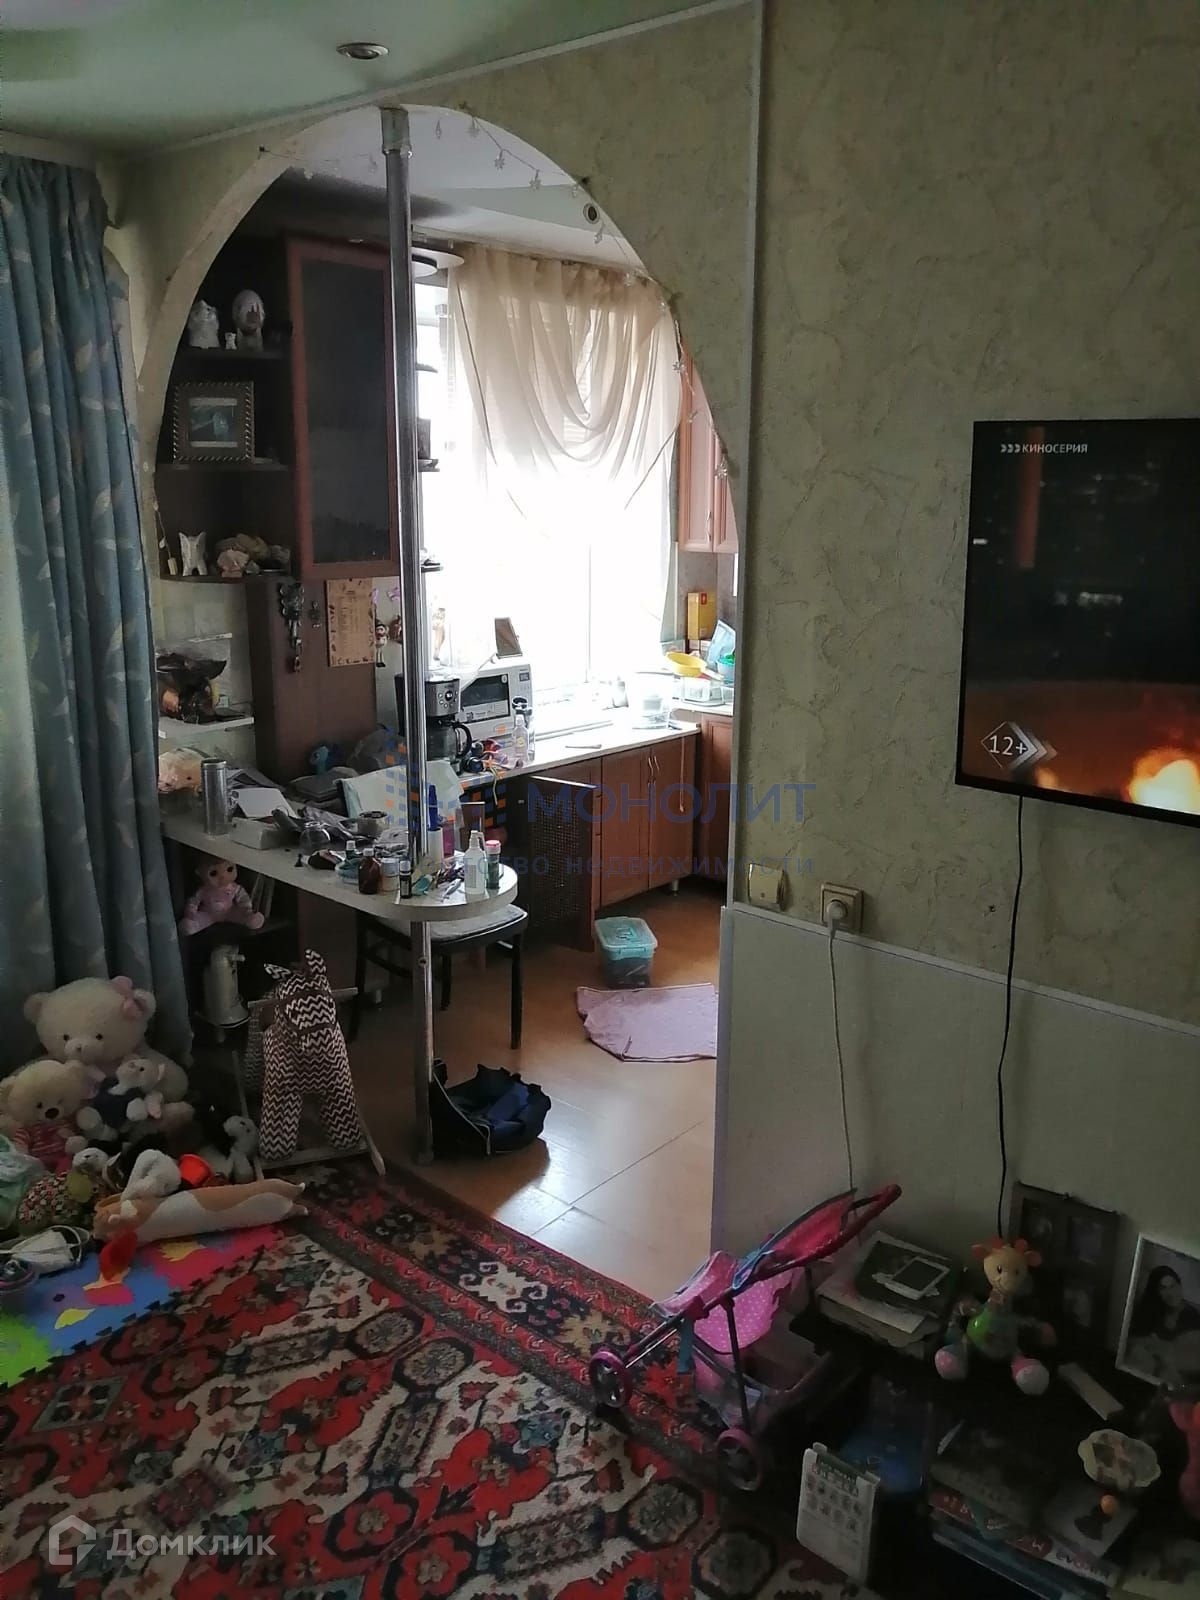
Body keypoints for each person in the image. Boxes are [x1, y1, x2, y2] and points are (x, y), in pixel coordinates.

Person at [1127, 1264, 1200, 1385]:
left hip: (1177, 1376)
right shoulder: (1150, 1312)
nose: (1170, 1293)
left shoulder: (1193, 1317)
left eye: (1173, 1286)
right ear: (1156, 1292)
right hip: (1148, 1368)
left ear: (1180, 1286)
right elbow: (1130, 1340)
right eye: (1163, 1288)